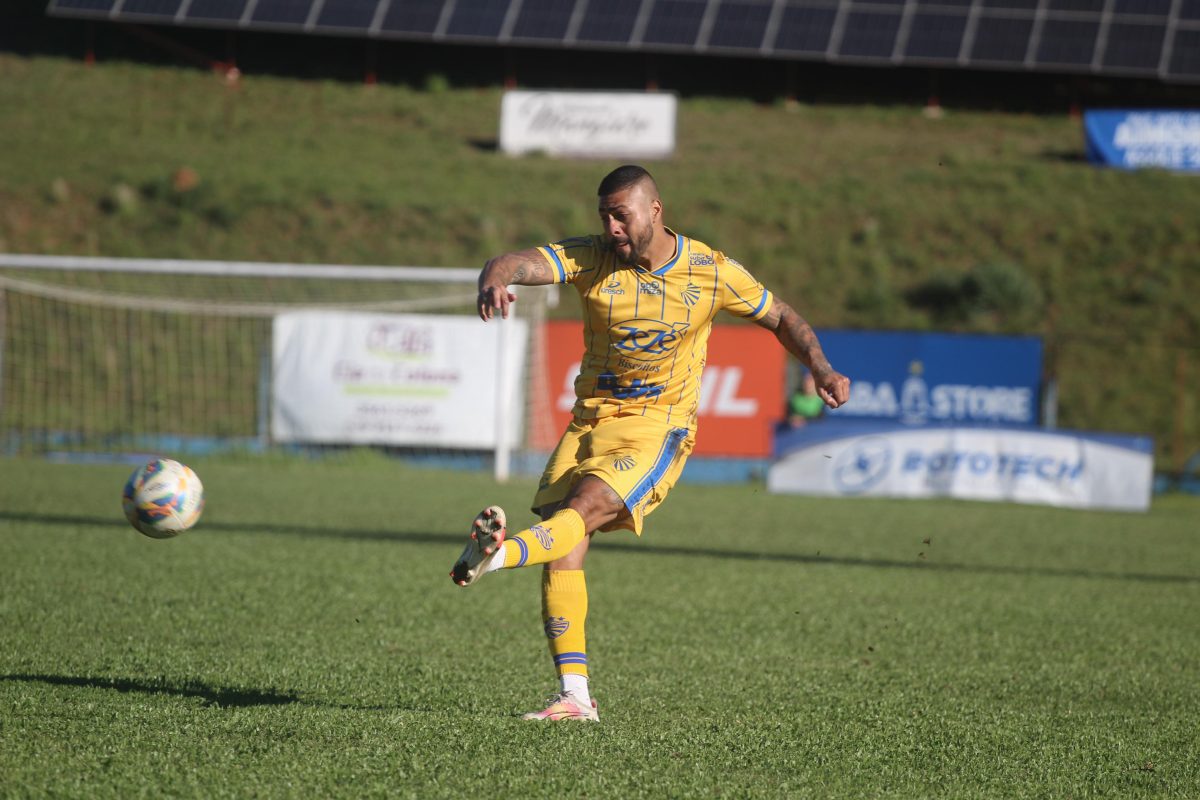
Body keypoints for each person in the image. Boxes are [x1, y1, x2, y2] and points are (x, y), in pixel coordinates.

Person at [450, 165, 850, 722]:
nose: (611, 226)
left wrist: (822, 368)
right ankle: (575, 696)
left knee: (581, 511)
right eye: (604, 215)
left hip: (658, 426)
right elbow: (515, 261)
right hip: (589, 421)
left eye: (621, 214)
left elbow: (780, 315)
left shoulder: (710, 270)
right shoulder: (591, 256)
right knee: (565, 542)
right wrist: (494, 279)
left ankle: (496, 557)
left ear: (655, 210)